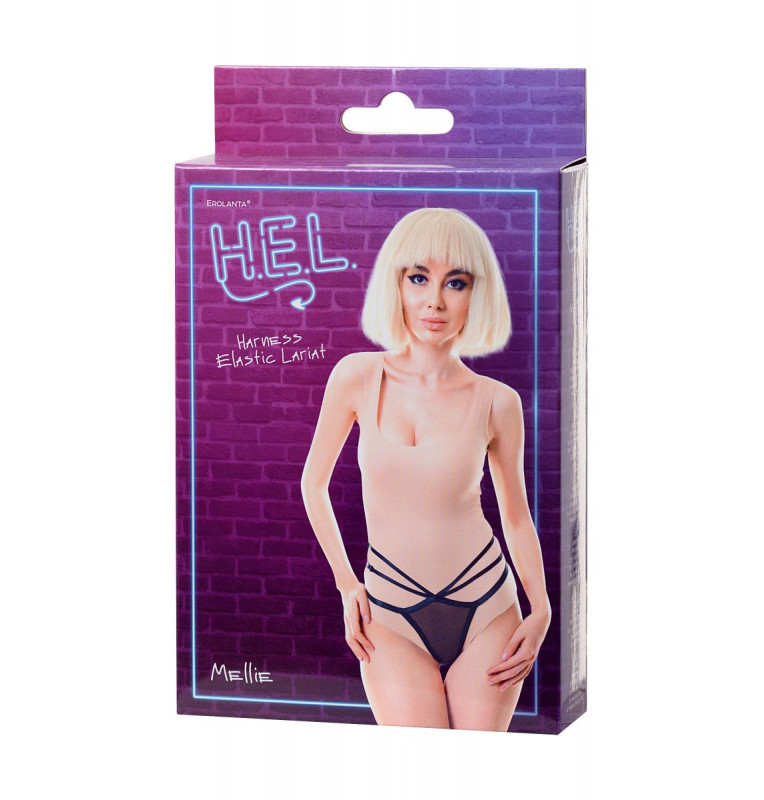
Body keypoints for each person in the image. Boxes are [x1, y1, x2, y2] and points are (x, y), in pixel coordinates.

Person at [301, 208, 551, 731]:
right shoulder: (355, 377)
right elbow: (313, 485)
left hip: (487, 604)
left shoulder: (497, 401)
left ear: (476, 294)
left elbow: (515, 515)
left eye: (455, 283)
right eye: (418, 278)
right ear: (396, 283)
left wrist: (542, 609)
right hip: (388, 611)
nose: (434, 300)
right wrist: (347, 585)